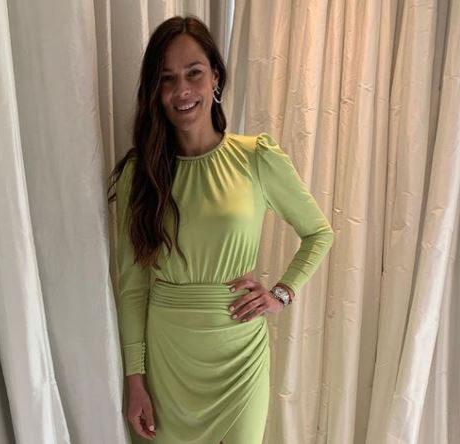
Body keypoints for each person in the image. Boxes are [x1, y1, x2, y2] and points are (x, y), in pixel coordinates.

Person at [107, 15, 334, 444]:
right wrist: (135, 378)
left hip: (240, 356)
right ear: (155, 90)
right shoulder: (142, 174)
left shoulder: (256, 158)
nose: (182, 90)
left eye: (193, 73)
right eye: (167, 78)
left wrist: (282, 293)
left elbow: (319, 233)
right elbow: (133, 287)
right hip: (168, 358)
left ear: (215, 76)